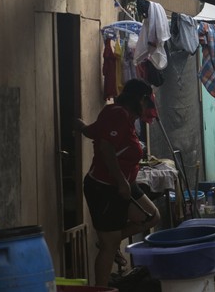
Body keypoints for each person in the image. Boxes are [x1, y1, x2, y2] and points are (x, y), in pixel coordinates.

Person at [75, 79, 161, 287]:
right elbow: (106, 147)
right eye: (147, 101)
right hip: (104, 187)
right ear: (140, 99)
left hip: (124, 183)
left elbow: (92, 132)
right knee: (109, 244)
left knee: (151, 217)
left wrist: (82, 126)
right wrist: (122, 182)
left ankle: (109, 241)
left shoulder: (125, 117)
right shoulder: (117, 114)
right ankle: (102, 287)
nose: (148, 106)